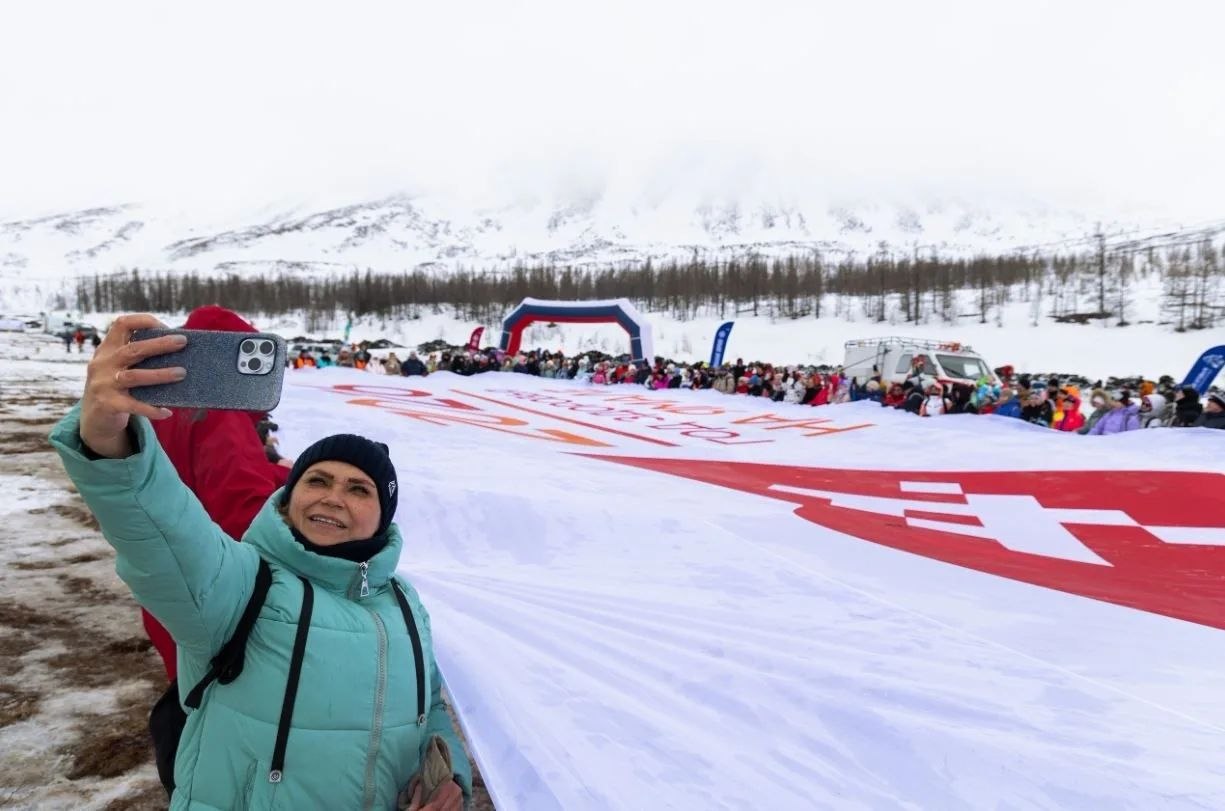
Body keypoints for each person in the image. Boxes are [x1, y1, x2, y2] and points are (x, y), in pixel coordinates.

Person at [49, 314, 472, 810]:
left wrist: (450, 780)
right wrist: (107, 438)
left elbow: (429, 708)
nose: (333, 497)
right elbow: (160, 525)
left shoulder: (403, 602)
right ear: (288, 498)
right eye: (317, 481)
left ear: (384, 518)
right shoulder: (243, 585)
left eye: (359, 489)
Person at [144, 305, 294, 682]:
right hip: (214, 589)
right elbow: (246, 514)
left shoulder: (158, 404)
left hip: (167, 575)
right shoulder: (219, 412)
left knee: (188, 681)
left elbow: (194, 472)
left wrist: (277, 471)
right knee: (217, 694)